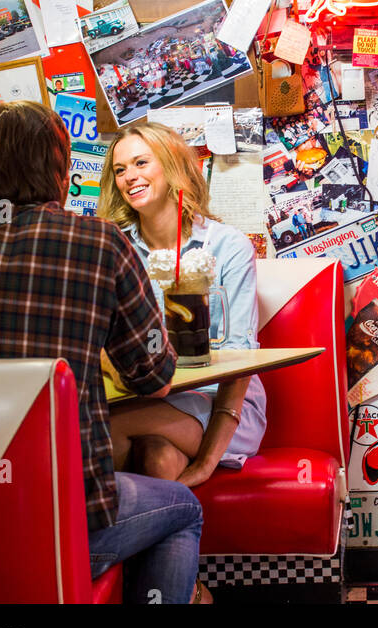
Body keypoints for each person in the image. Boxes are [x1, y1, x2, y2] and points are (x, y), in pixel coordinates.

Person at [0, 102, 202, 606]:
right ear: (61, 172)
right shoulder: (99, 242)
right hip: (56, 520)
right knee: (182, 508)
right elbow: (154, 374)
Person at [98, 124, 267, 492]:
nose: (130, 177)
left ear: (173, 166)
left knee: (97, 431)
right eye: (120, 169)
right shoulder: (113, 249)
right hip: (146, 398)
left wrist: (207, 462)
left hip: (222, 409)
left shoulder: (228, 247)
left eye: (141, 162)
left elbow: (239, 359)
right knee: (157, 459)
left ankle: (72, 548)